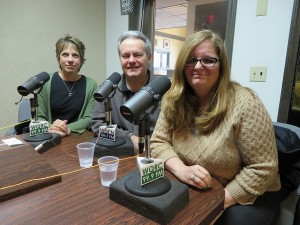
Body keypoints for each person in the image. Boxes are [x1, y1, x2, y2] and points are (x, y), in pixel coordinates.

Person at [150, 29, 281, 225]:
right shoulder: (173, 99)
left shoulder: (245, 104)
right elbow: (159, 142)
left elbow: (263, 168)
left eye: (208, 60)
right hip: (191, 186)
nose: (198, 66)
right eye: (191, 60)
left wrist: (217, 202)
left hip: (245, 193)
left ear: (221, 65)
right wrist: (181, 170)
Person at [91, 30, 160, 153]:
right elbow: (97, 124)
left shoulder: (165, 91)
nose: (131, 60)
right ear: (120, 59)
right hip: (120, 152)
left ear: (149, 57)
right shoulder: (109, 89)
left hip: (154, 154)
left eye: (138, 55)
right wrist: (129, 137)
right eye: (126, 56)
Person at [38, 34, 98, 137]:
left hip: (77, 139)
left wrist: (67, 129)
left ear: (81, 60)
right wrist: (52, 128)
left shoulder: (92, 85)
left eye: (75, 55)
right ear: (58, 58)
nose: (70, 60)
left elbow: (88, 118)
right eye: (65, 55)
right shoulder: (45, 81)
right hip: (49, 136)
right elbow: (39, 117)